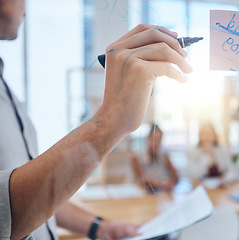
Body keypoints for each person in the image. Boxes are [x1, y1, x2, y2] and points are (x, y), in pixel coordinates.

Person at [0, 0, 192, 239]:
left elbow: (31, 199)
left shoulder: (10, 96)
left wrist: (98, 226)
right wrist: (111, 120)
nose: (26, 6)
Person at [132, 124, 179, 192]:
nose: (157, 143)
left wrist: (170, 182)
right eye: (154, 139)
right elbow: (143, 180)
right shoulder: (136, 157)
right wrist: (163, 185)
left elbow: (176, 177)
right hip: (141, 193)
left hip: (158, 193)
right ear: (148, 139)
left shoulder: (164, 156)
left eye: (159, 139)